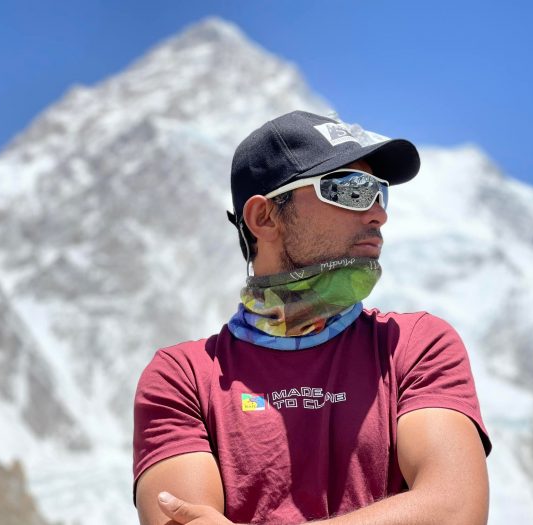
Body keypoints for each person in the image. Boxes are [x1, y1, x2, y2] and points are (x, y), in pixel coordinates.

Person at [133, 110, 492, 525]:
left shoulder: (414, 344)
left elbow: (454, 511)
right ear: (264, 217)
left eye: (380, 192)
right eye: (351, 190)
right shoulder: (183, 377)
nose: (378, 213)